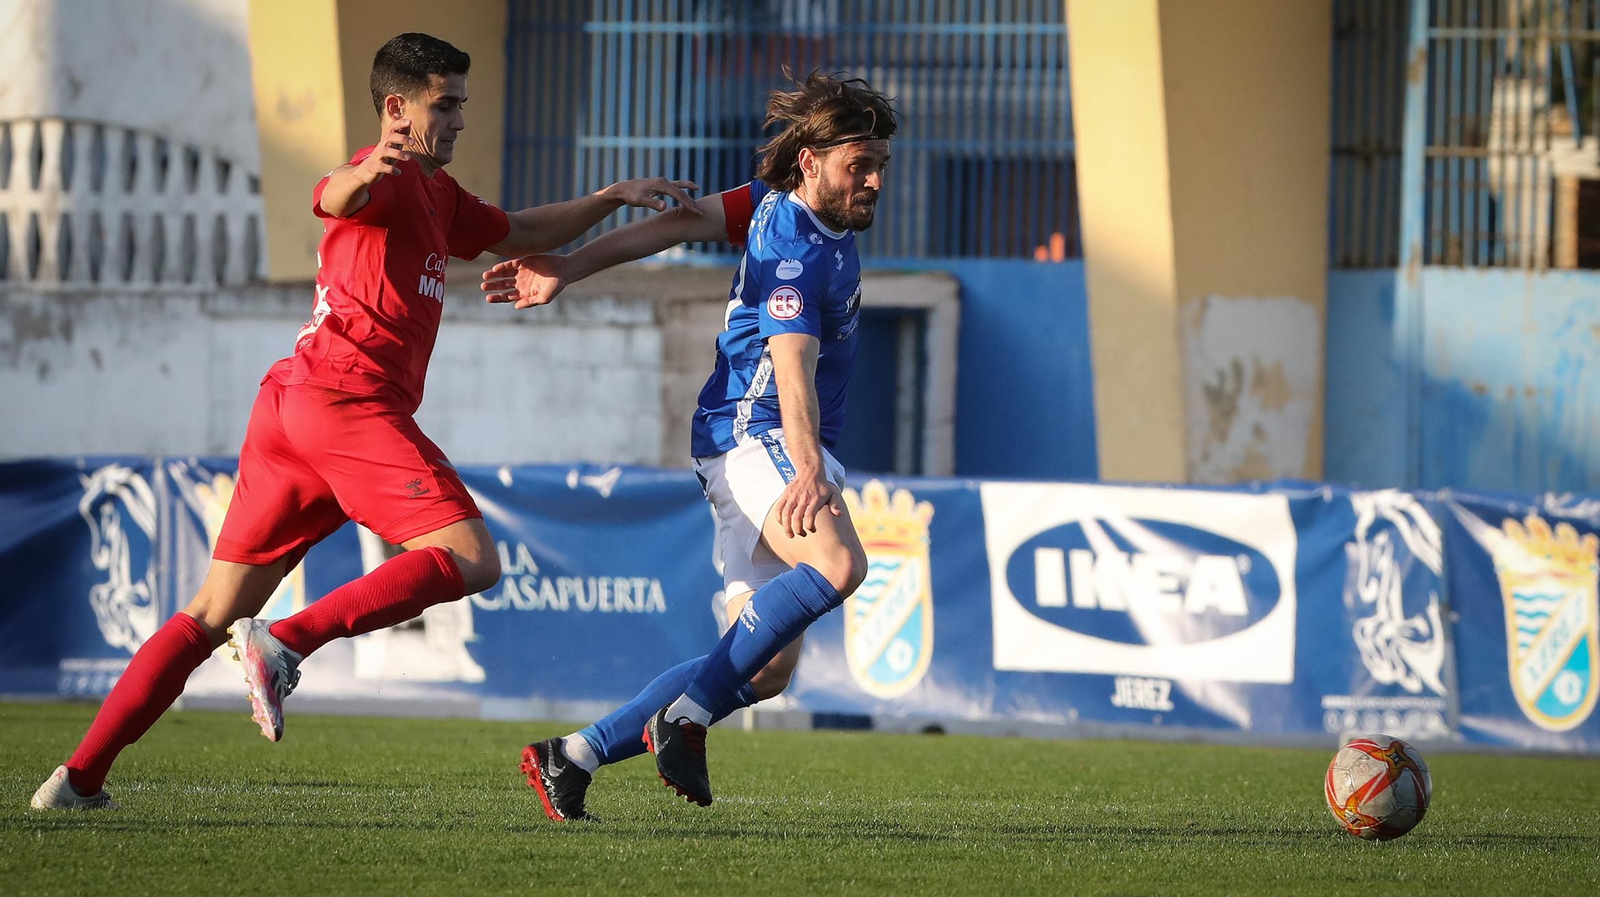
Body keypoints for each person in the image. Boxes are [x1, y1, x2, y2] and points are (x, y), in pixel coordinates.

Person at [29, 32, 698, 811]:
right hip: (346, 403)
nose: (456, 121)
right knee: (471, 556)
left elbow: (523, 232)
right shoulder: (382, 175)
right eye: (443, 105)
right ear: (396, 107)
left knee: (210, 613)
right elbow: (333, 195)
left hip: (292, 408)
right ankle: (286, 641)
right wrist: (359, 171)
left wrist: (612, 196)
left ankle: (78, 778)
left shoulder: (440, 197)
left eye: (460, 107)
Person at [481, 70, 898, 820]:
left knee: (765, 667)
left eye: (879, 165)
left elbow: (680, 223)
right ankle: (686, 716)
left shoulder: (775, 205)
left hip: (755, 440)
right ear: (810, 160)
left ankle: (571, 756)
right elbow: (792, 361)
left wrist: (570, 268)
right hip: (756, 431)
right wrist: (809, 469)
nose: (872, 180)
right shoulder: (796, 249)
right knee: (840, 563)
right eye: (856, 165)